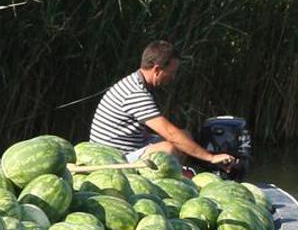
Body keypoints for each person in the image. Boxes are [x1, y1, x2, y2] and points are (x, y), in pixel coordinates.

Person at [88, 40, 236, 171]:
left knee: (185, 136)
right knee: (168, 149)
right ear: (157, 70)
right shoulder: (135, 93)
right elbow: (170, 133)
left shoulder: (136, 82)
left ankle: (175, 173)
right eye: (171, 72)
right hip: (113, 159)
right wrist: (210, 157)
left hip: (130, 146)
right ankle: (170, 179)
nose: (173, 77)